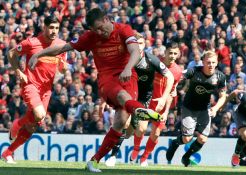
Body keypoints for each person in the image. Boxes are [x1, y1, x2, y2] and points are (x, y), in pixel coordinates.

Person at [28, 8, 161, 172]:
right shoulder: (90, 37)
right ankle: (139, 110)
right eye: (95, 30)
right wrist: (38, 54)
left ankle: (94, 161)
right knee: (122, 96)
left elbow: (135, 51)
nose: (99, 32)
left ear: (106, 19)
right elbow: (63, 48)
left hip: (128, 74)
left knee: (120, 121)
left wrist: (127, 68)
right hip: (107, 79)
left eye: (100, 28)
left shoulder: (123, 29)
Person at [1, 16, 67, 164]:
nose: (54, 31)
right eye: (51, 27)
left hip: (46, 90)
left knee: (33, 125)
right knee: (39, 114)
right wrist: (19, 72)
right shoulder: (32, 42)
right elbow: (11, 53)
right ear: (44, 27)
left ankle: (8, 153)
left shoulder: (62, 45)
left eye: (56, 28)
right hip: (31, 85)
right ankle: (17, 124)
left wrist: (63, 68)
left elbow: (62, 69)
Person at [105, 33, 174, 167]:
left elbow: (170, 76)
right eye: (136, 43)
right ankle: (112, 156)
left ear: (145, 45)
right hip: (128, 95)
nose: (139, 46)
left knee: (138, 130)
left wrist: (164, 98)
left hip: (144, 98)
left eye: (141, 43)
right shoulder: (124, 59)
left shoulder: (151, 59)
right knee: (124, 123)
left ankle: (130, 143)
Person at [166, 51, 227, 167]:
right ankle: (175, 143)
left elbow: (223, 96)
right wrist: (174, 86)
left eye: (213, 62)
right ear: (203, 62)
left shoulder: (220, 77)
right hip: (189, 108)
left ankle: (187, 156)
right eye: (208, 62)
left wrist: (215, 108)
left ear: (217, 63)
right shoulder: (194, 71)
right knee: (187, 138)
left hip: (205, 109)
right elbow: (179, 77)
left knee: (203, 139)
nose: (211, 65)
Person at [131, 42, 182, 166]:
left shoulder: (177, 71)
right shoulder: (155, 63)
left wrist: (165, 112)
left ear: (178, 54)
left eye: (175, 53)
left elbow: (171, 93)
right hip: (148, 101)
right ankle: (136, 148)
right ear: (165, 52)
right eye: (170, 53)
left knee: (156, 133)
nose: (172, 56)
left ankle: (144, 158)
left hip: (162, 105)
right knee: (141, 128)